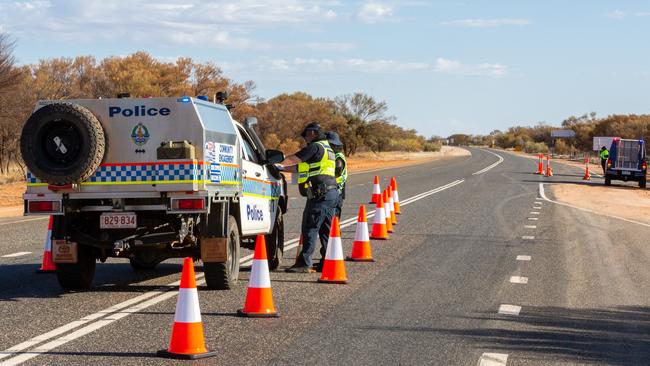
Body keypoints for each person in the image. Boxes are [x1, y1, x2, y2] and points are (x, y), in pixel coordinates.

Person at [276, 122, 338, 273]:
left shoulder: (315, 146)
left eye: (306, 136)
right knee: (325, 229)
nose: (305, 140)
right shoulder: (327, 149)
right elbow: (300, 167)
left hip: (320, 194)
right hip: (331, 193)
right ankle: (327, 261)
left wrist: (276, 163)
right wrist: (282, 169)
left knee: (310, 226)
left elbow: (294, 159)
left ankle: (305, 263)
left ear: (312, 133)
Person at [325, 131, 347, 219]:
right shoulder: (330, 155)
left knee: (334, 215)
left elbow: (337, 171)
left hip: (338, 189)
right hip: (332, 188)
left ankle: (334, 231)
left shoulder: (338, 156)